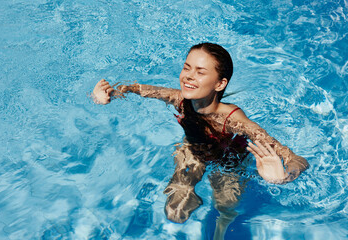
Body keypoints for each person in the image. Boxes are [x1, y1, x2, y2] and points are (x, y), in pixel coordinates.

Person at [92, 43, 309, 239]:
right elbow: (136, 88)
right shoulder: (180, 99)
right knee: (175, 213)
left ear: (220, 84)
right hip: (192, 152)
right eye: (187, 68)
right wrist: (107, 94)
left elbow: (297, 160)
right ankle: (192, 193)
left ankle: (220, 232)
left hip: (229, 164)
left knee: (225, 207)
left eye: (200, 72)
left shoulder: (234, 120)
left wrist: (283, 177)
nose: (188, 76)